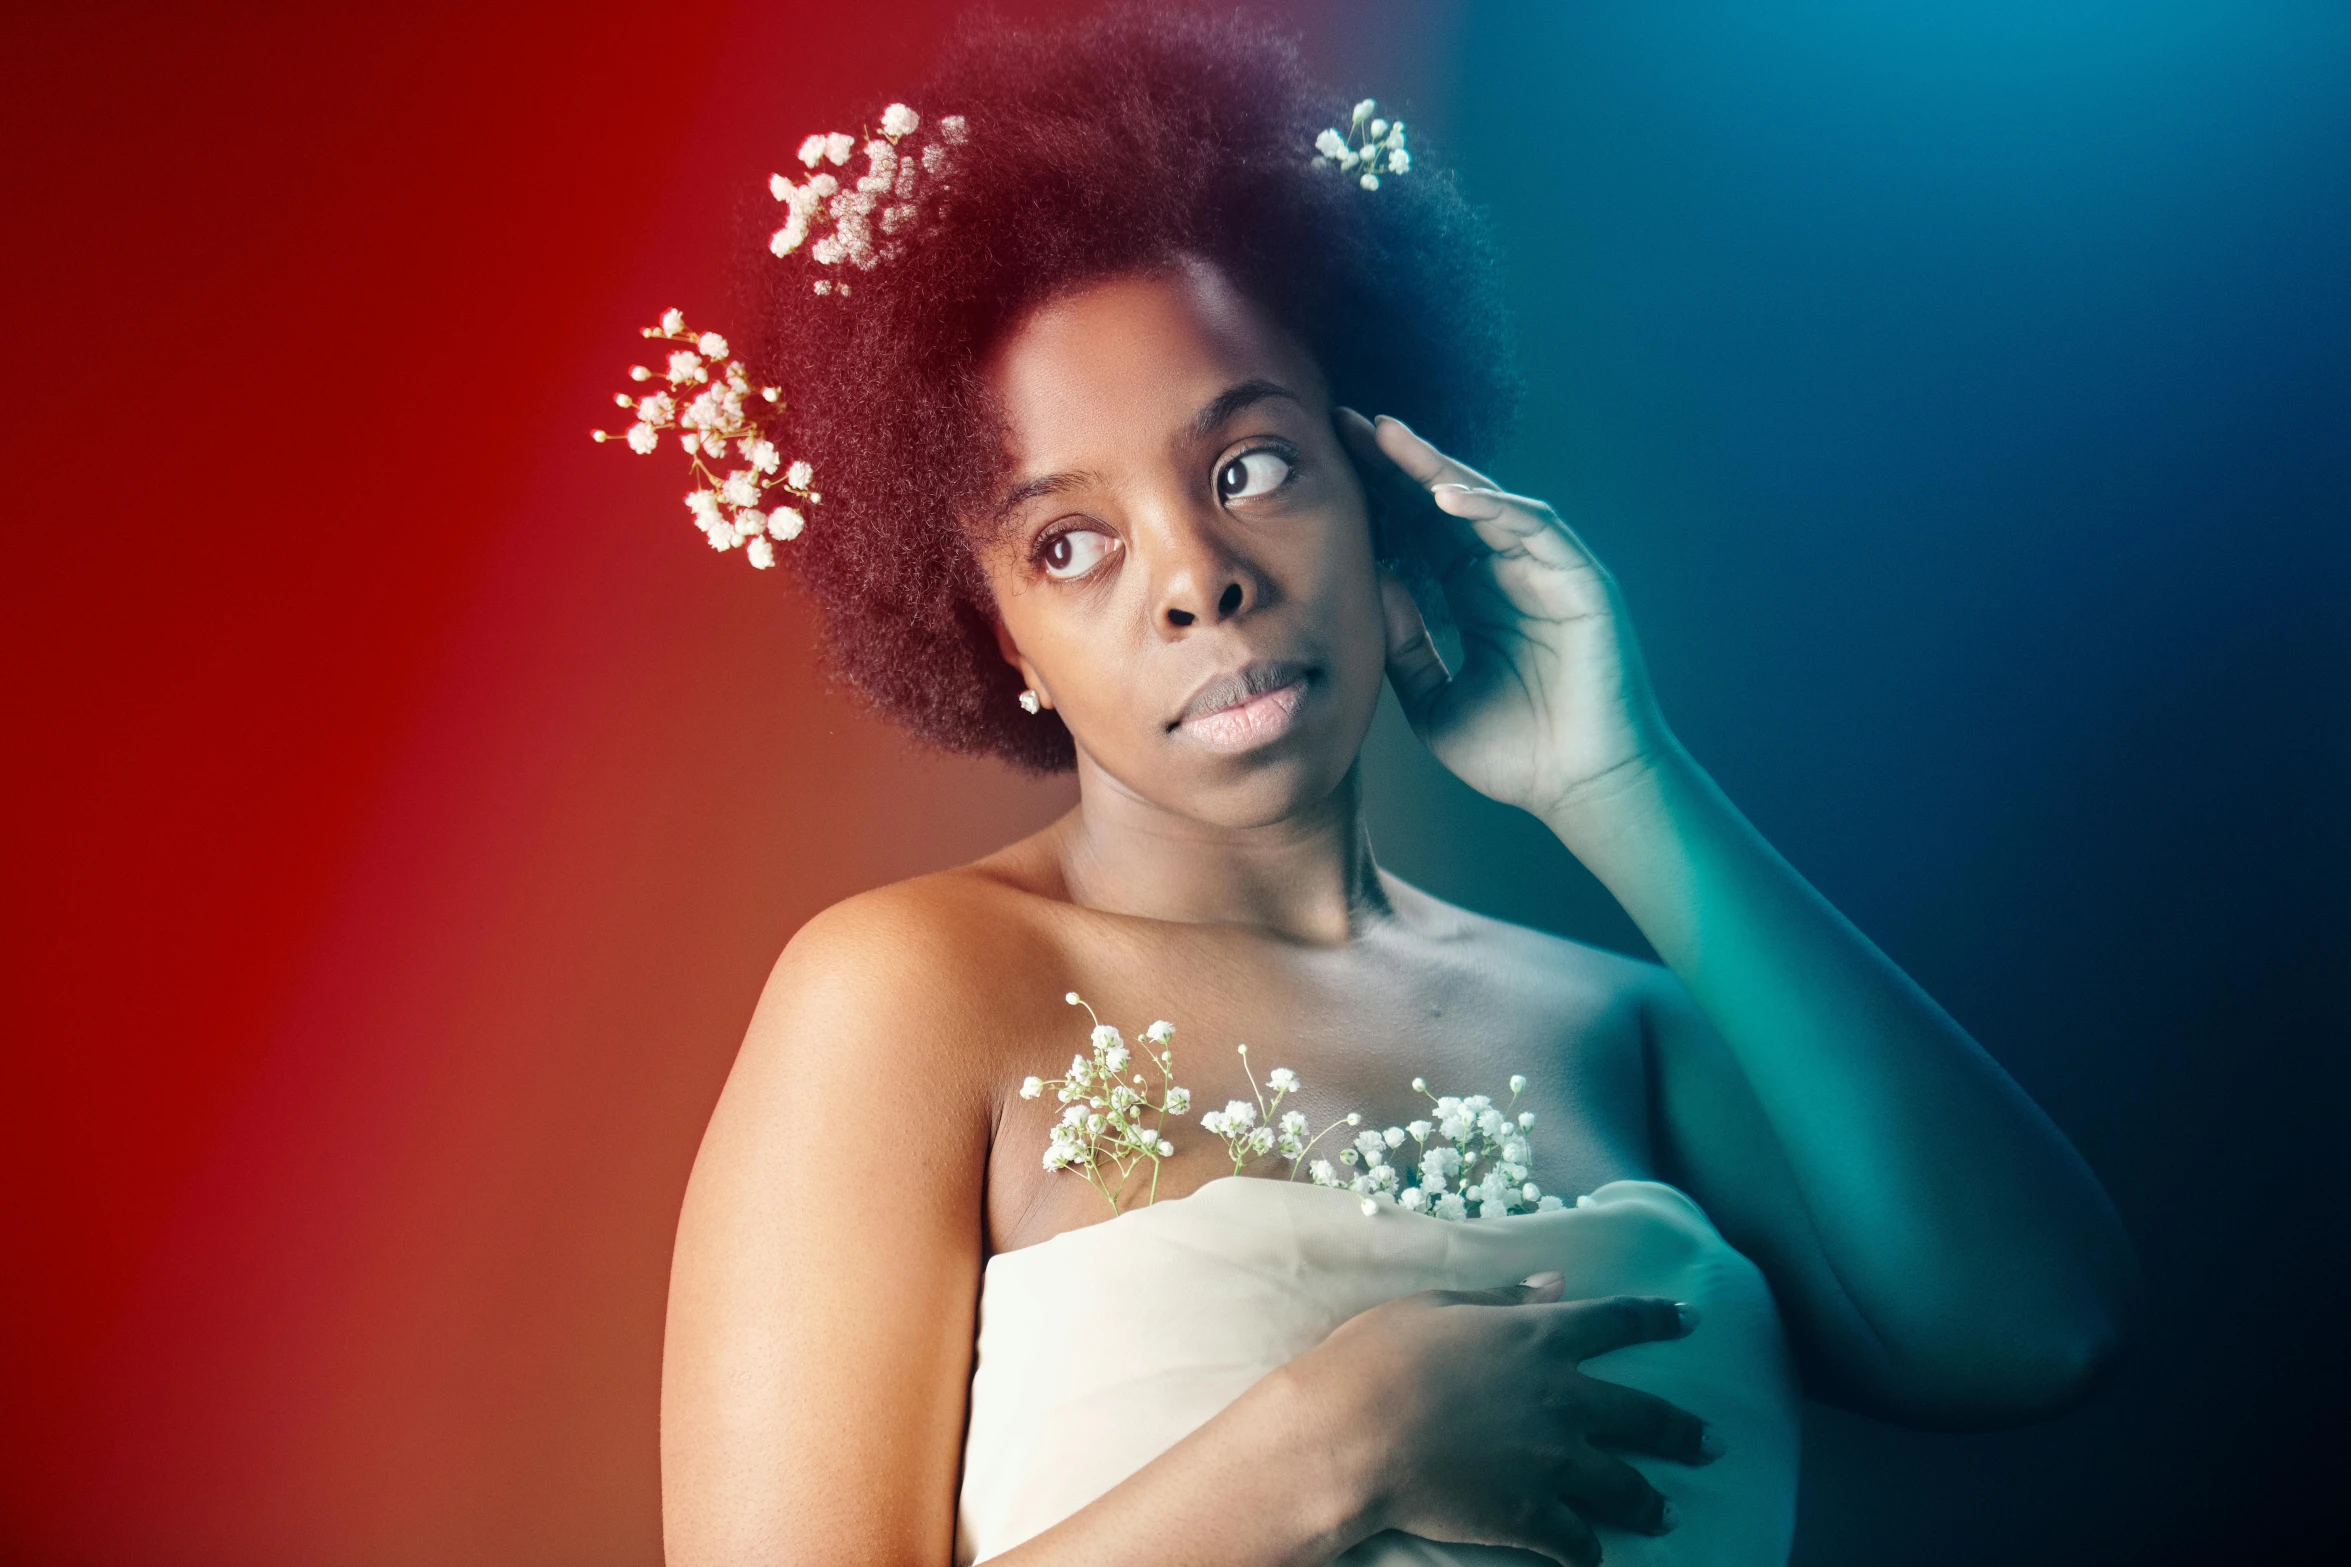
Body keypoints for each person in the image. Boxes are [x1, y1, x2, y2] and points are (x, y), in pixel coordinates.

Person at [648, 11, 2138, 1565]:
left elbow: (2041, 1330)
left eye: (1249, 468)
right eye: (1068, 543)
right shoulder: (909, 996)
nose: (1197, 582)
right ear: (990, 631)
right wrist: (1334, 1441)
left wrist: (1620, 778)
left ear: (1379, 482)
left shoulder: (1620, 1032)